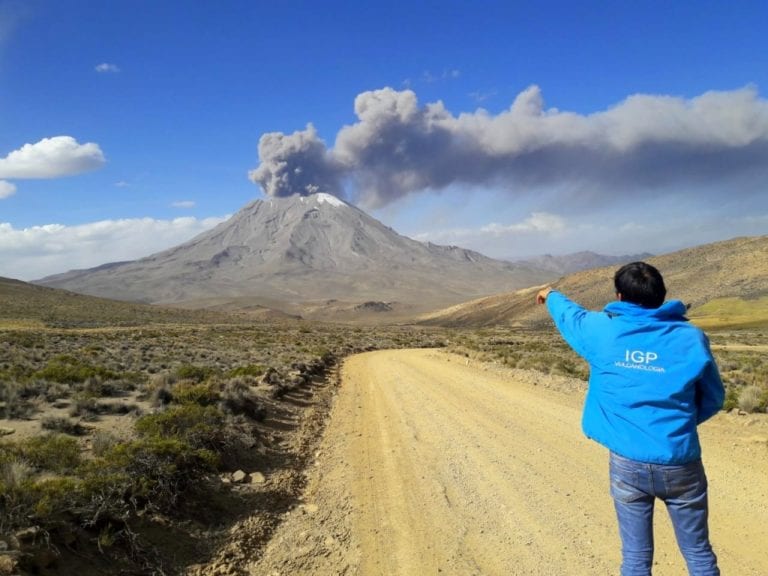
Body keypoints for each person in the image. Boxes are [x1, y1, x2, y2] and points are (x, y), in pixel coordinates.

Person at [536, 261, 724, 576]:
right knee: (699, 555)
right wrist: (679, 425)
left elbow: (572, 316)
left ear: (619, 296)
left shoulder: (602, 331)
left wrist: (550, 294)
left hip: (627, 464)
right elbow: (714, 397)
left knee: (635, 559)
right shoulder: (691, 338)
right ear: (661, 296)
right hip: (681, 461)